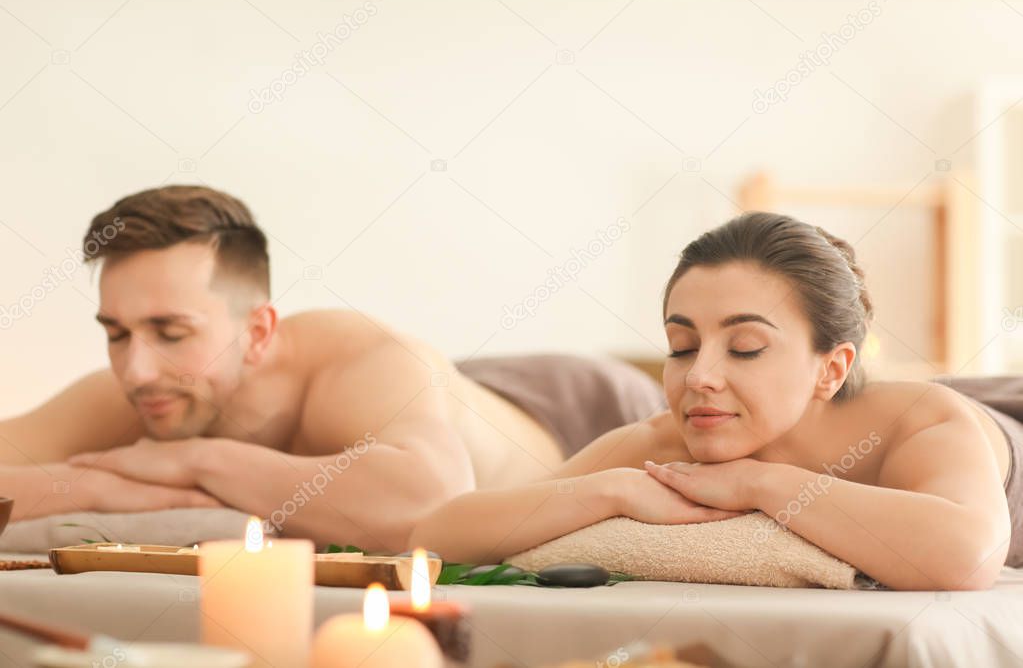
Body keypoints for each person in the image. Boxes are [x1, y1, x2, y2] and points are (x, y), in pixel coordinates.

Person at [0, 185, 664, 551]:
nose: (137, 368)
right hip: (444, 392)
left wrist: (192, 461)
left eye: (171, 333)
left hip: (577, 410)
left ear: (257, 331)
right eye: (116, 334)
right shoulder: (153, 389)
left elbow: (428, 507)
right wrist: (98, 489)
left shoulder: (357, 361)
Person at [409, 211, 1023, 591]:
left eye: (746, 347)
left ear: (831, 368)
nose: (699, 377)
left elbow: (964, 559)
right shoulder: (659, 444)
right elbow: (436, 535)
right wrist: (613, 490)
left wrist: (762, 484)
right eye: (681, 346)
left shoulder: (921, 422)